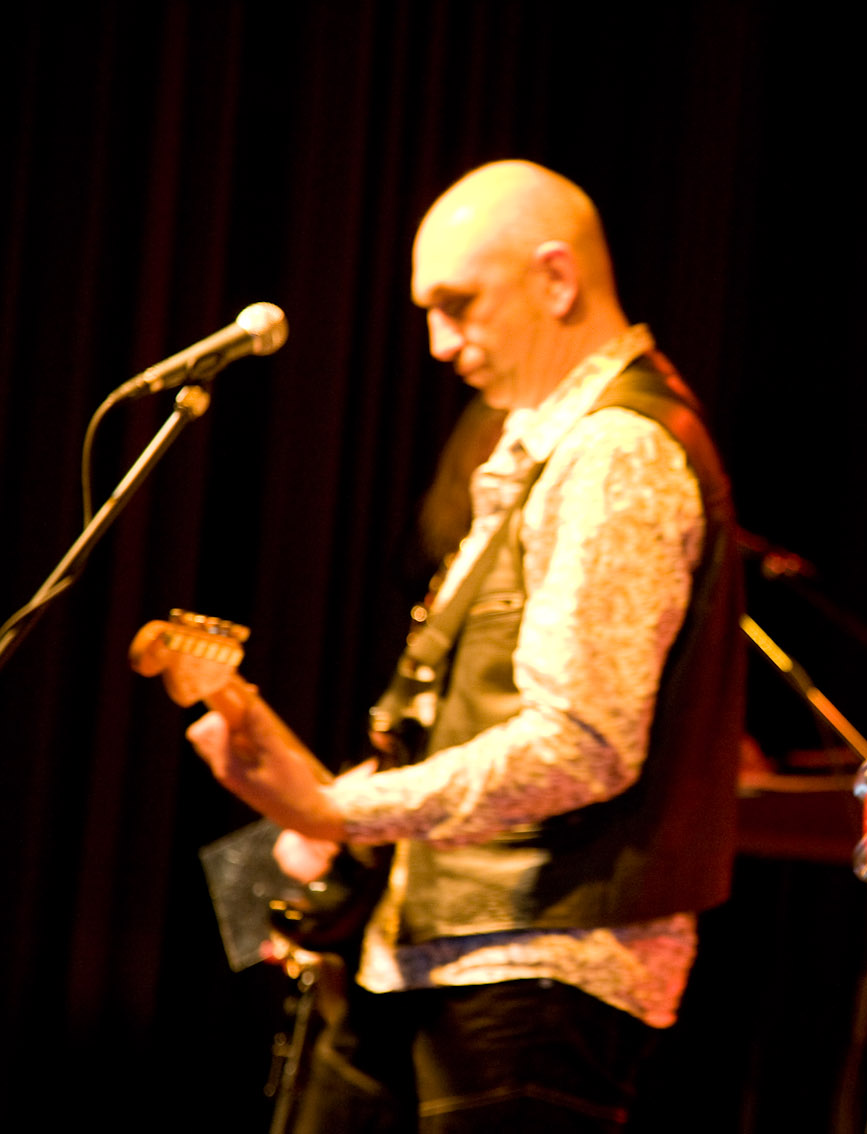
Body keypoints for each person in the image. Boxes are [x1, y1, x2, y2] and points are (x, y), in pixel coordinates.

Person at [189, 159, 745, 1132]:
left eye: (458, 305)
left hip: (535, 965)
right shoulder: (547, 441)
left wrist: (340, 807)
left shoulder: (617, 449)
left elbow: (582, 744)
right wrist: (339, 817)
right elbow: (476, 706)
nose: (440, 344)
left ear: (556, 278)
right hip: (441, 952)